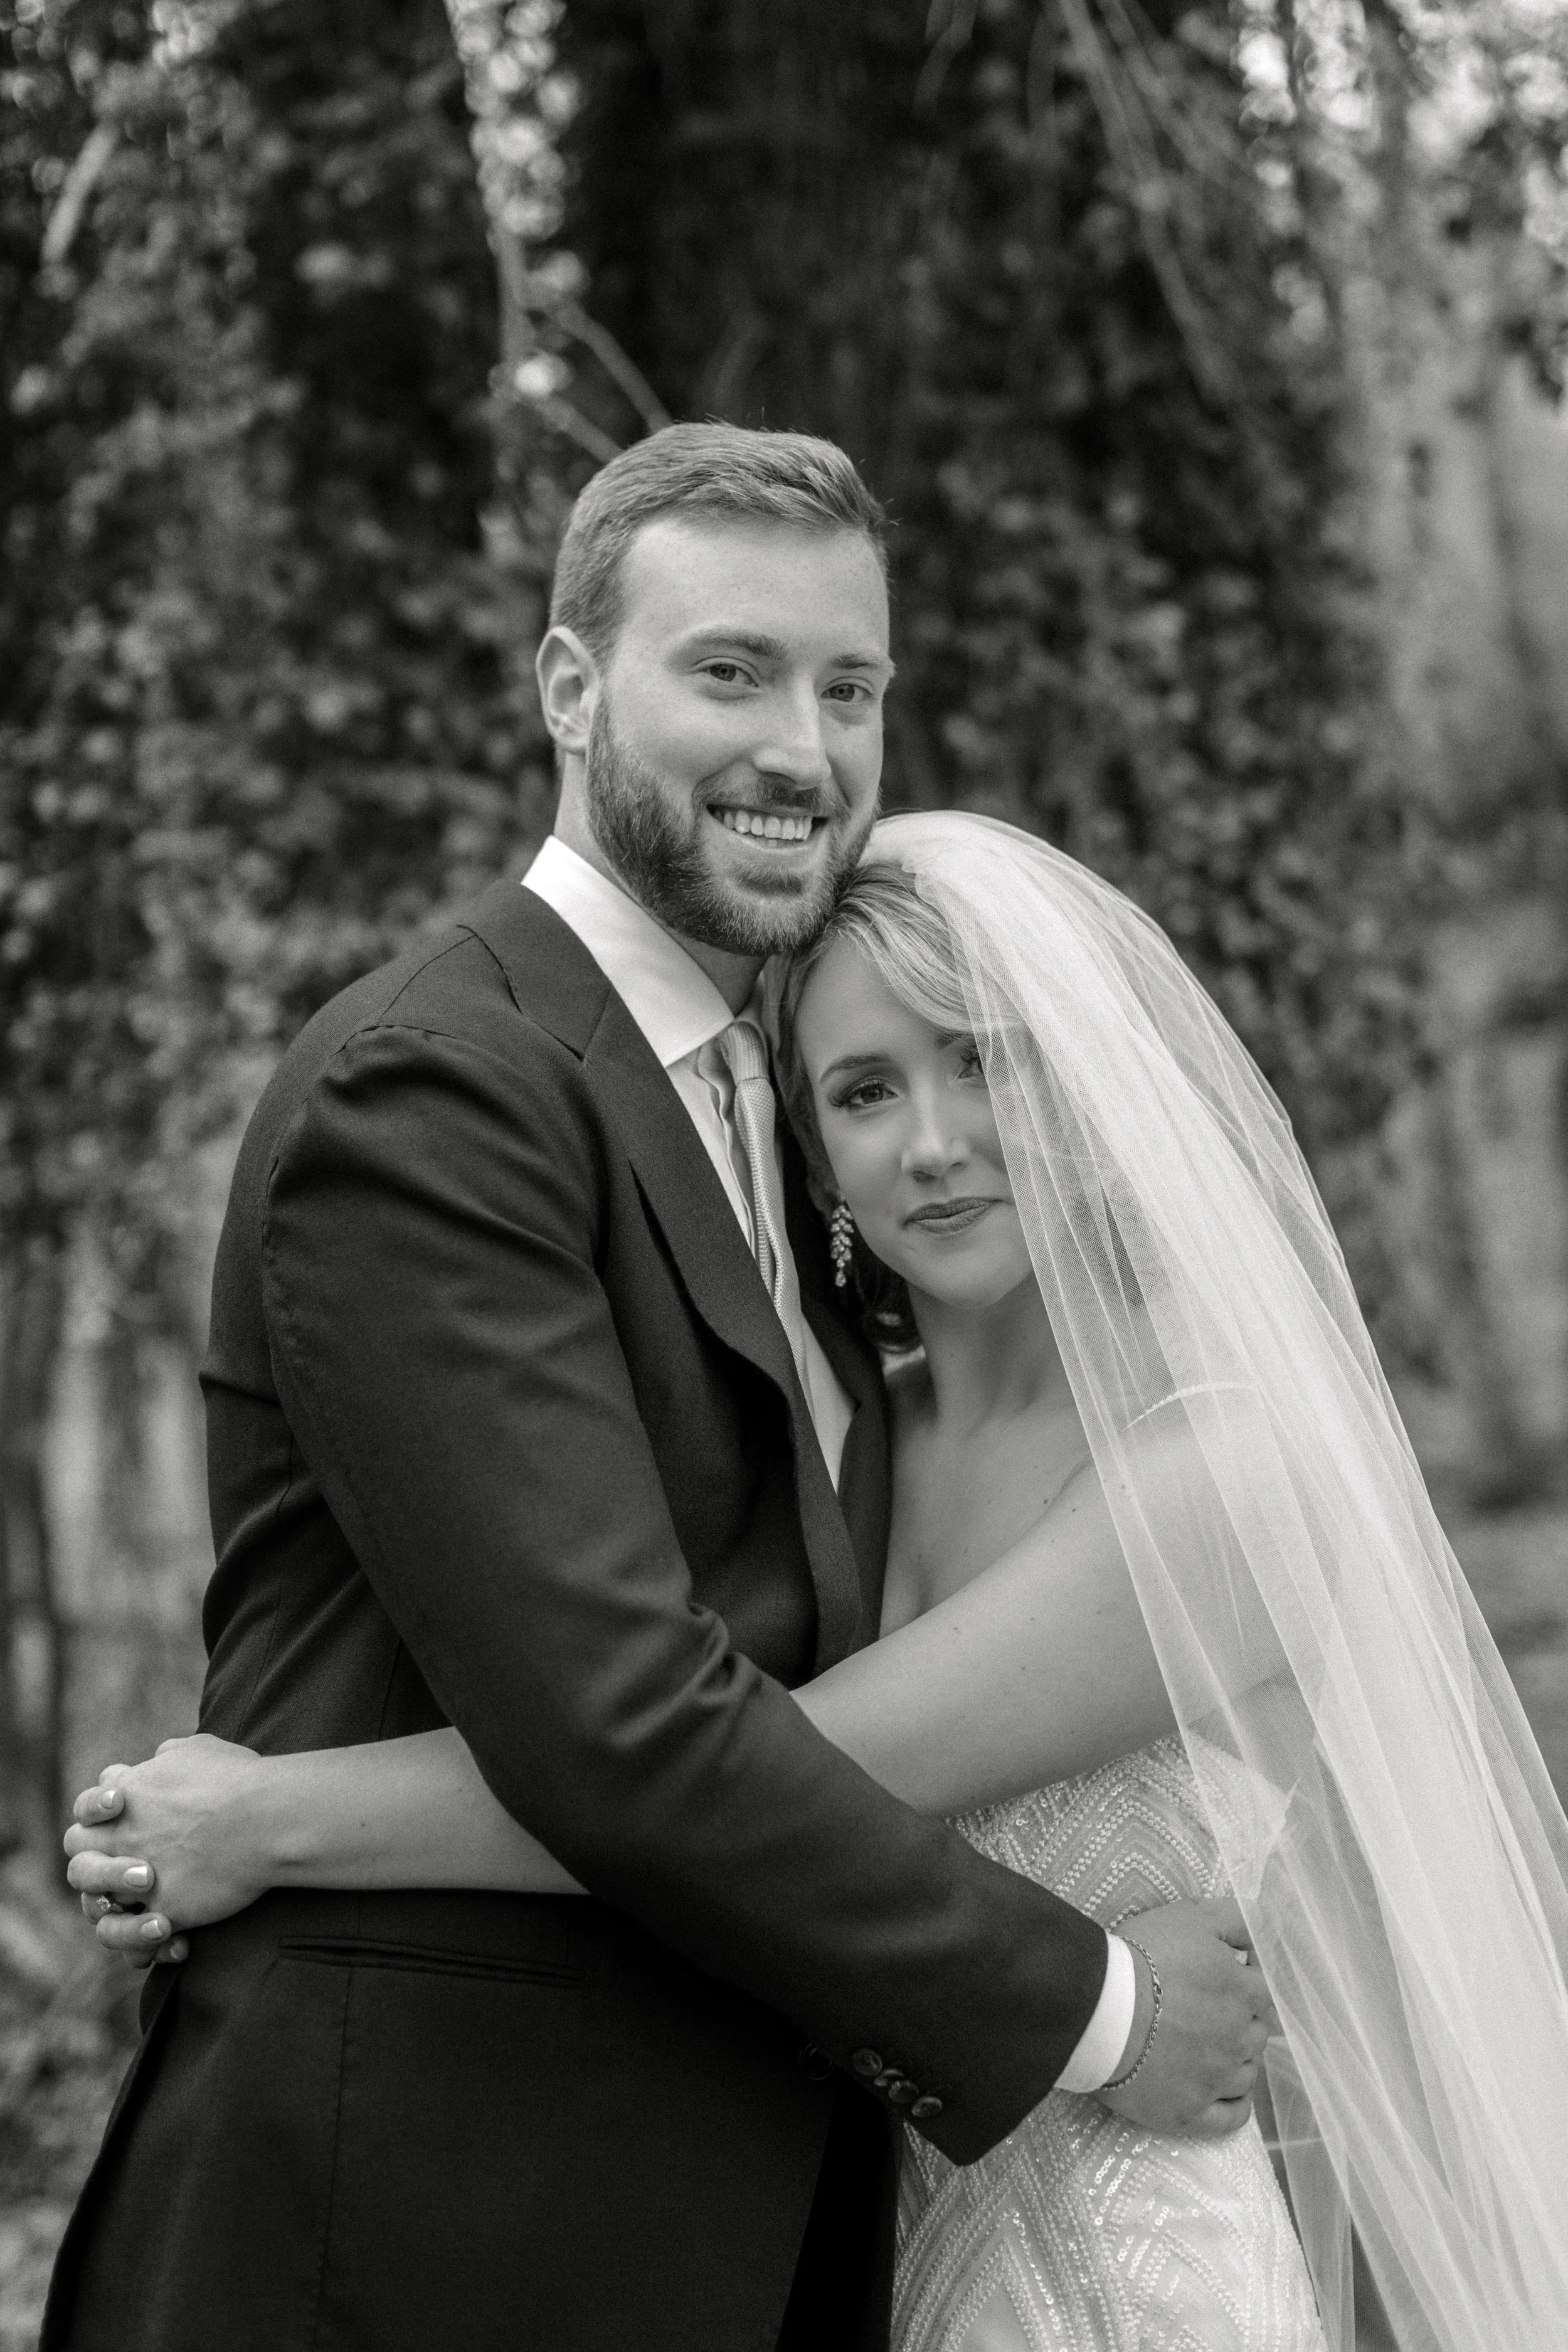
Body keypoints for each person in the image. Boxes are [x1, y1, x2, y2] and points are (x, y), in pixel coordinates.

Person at [43, 426, 1271, 2352]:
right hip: (438, 2217)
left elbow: (794, 1698)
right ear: (565, 687)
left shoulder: (771, 1126)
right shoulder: (438, 1086)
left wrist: (281, 1807)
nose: (802, 742)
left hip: (768, 2215)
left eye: (847, 685)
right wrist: (1091, 2005)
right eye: (729, 669)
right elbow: (623, 1722)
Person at [69, 810, 1568, 2348]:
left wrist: (276, 1819)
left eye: (986, 1060)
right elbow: (663, 1747)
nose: (932, 1140)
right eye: (864, 1090)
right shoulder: (850, 1433)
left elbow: (756, 1780)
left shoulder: (1219, 1479)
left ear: (1100, 1081)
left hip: (1122, 2271)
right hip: (850, 2262)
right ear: (814, 1153)